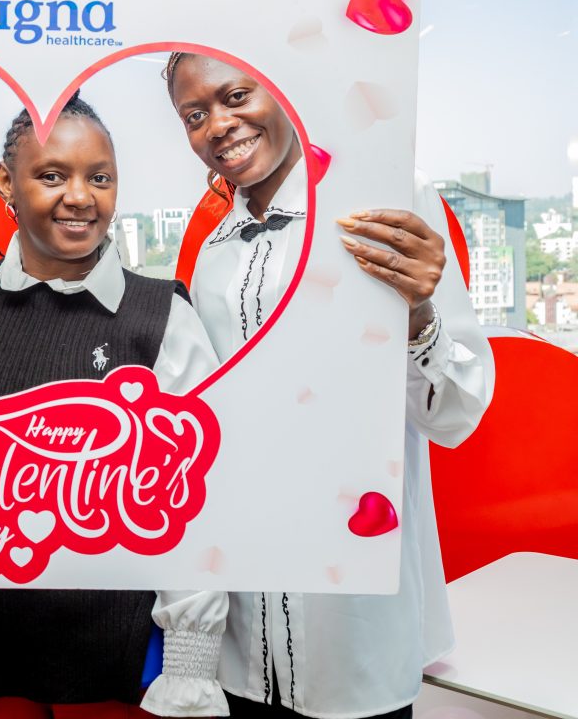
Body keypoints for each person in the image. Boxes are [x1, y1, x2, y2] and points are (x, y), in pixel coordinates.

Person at [145, 53, 494, 719]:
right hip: (242, 635)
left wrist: (419, 314)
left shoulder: (387, 201)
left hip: (356, 635)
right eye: (194, 114)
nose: (218, 124)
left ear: (280, 88)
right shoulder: (214, 251)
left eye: (235, 95)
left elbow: (454, 416)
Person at [0, 92, 221, 719]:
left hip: (121, 668)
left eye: (100, 178)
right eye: (52, 175)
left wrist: (190, 663)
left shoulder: (163, 314)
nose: (80, 196)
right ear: (6, 181)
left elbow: (199, 499)